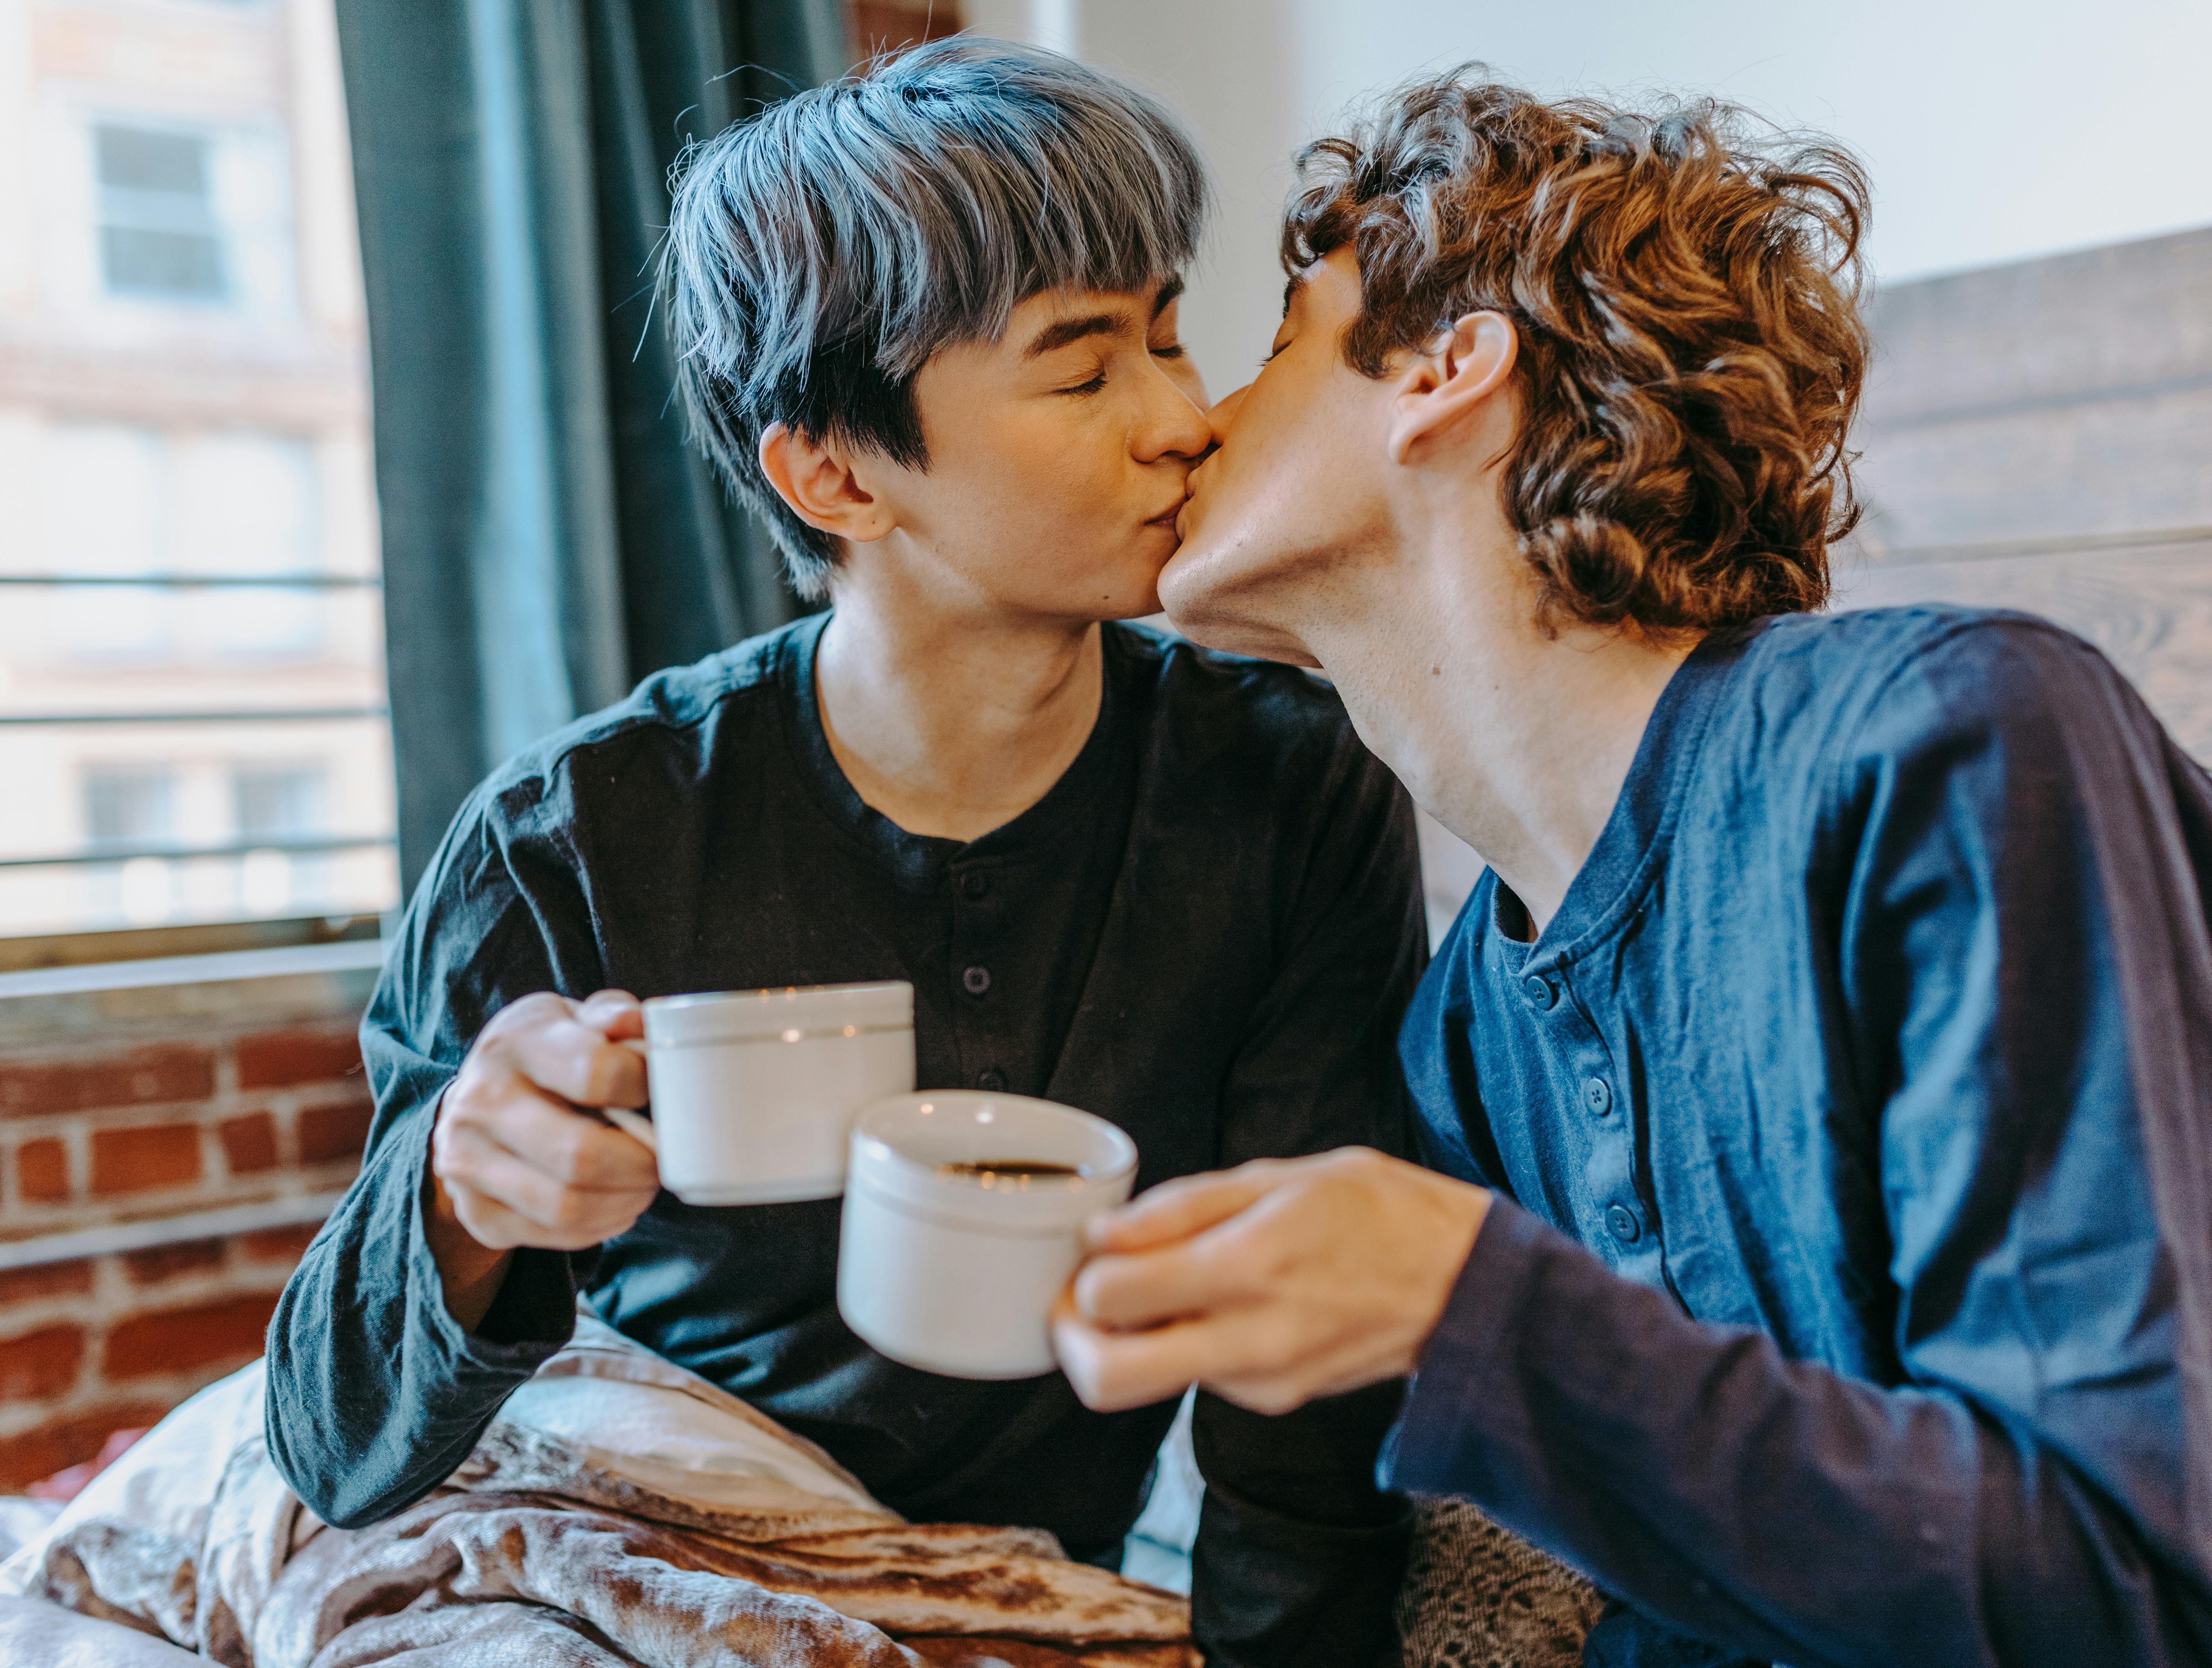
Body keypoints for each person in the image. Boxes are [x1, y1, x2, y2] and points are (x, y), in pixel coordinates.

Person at [1053, 71, 2212, 1668]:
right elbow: (1744, 1563)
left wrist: (1467, 1307)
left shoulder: (1957, 746)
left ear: (1447, 373)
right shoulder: (1474, 1022)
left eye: (1278, 344)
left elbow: (2110, 1587)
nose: (1199, 419)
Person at [265, 40, 1420, 1665]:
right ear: (834, 470)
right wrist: (464, 1187)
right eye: (1085, 372)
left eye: (1167, 332)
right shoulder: (575, 838)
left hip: (1017, 1583)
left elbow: (1304, 1414)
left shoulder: (1289, 786)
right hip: (618, 1535)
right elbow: (335, 1444)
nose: (1182, 418)